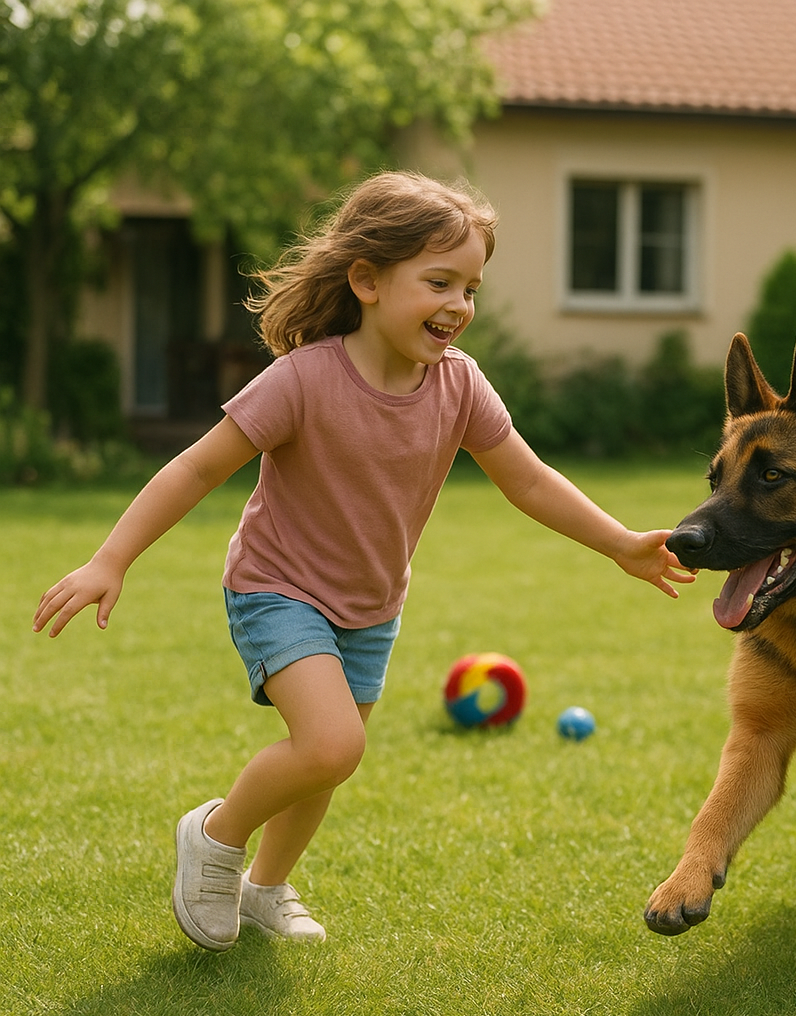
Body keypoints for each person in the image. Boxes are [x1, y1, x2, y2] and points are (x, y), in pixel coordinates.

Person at [33, 170, 694, 951]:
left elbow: (527, 478)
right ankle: (214, 836)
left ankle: (264, 892)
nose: (458, 305)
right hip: (277, 588)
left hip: (373, 603)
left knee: (329, 762)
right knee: (331, 744)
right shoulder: (305, 379)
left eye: (471, 287)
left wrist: (620, 542)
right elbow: (196, 468)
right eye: (439, 281)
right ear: (368, 281)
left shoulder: (458, 385)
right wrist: (112, 558)